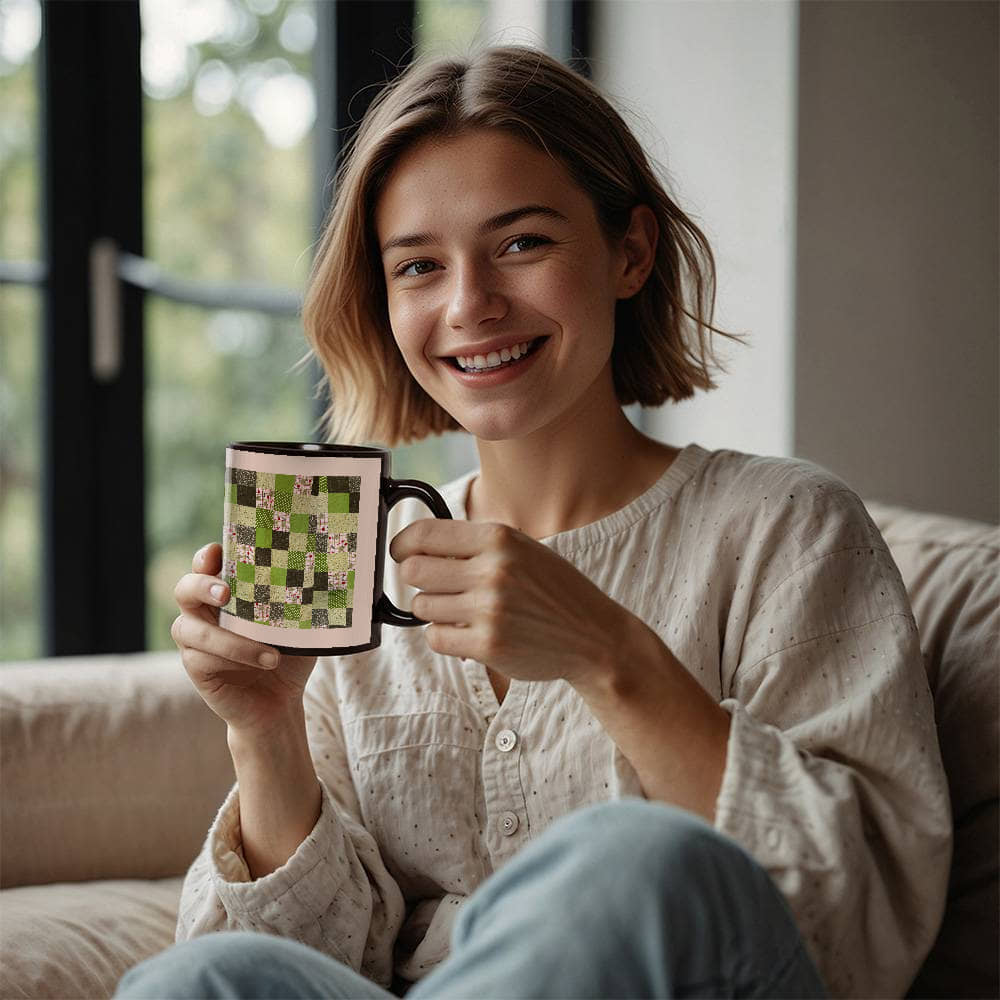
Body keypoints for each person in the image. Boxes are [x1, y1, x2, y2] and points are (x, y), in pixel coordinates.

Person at [117, 46, 951, 1000]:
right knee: (214, 974)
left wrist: (610, 656)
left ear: (629, 252)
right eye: (419, 266)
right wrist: (265, 737)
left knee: (637, 862)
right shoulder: (361, 576)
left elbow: (867, 921)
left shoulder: (787, 529)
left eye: (522, 244)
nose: (469, 305)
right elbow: (328, 970)